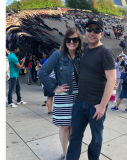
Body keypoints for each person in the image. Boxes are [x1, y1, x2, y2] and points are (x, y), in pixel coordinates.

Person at [67, 17, 116, 160]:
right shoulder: (85, 50)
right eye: (89, 29)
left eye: (96, 30)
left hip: (96, 105)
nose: (92, 33)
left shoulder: (105, 52)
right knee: (75, 136)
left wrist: (102, 106)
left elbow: (111, 79)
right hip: (80, 102)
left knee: (96, 138)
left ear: (102, 33)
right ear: (85, 31)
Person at [39, 28, 83, 160]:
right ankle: (65, 153)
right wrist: (54, 88)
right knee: (64, 126)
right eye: (68, 39)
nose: (71, 42)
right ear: (65, 41)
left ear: (79, 41)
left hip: (78, 97)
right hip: (64, 97)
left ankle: (71, 152)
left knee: (73, 127)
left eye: (75, 39)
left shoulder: (82, 56)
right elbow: (42, 73)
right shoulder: (58, 55)